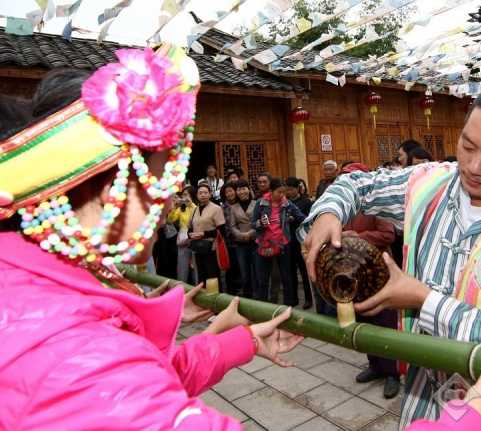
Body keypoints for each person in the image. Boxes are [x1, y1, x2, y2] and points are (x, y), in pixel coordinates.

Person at [0, 46, 304, 430]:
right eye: (164, 178)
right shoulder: (74, 351)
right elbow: (111, 383)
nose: (166, 204)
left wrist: (240, 342)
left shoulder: (33, 277)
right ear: (117, 188)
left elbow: (145, 383)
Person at [300, 78, 481, 430]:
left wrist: (425, 301)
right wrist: (328, 213)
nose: (474, 166)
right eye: (468, 146)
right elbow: (356, 184)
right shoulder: (429, 183)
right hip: (426, 404)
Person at [338, 164, 399, 399]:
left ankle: (393, 372)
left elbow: (388, 235)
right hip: (355, 273)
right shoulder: (343, 209)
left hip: (379, 272)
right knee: (365, 320)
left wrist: (357, 237)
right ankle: (375, 365)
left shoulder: (377, 205)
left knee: (385, 322)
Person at [253, 177, 305, 305]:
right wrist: (260, 223)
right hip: (264, 244)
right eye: (279, 192)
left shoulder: (287, 204)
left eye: (284, 192)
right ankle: (262, 307)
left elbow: (301, 217)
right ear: (271, 191)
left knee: (286, 277)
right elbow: (253, 223)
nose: (282, 195)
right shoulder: (260, 203)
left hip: (283, 245)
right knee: (263, 279)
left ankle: (289, 306)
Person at [189, 183, 227, 288]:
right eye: (200, 193)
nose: (203, 195)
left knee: (212, 275)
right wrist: (190, 234)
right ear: (196, 195)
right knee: (201, 275)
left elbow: (222, 231)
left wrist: (204, 234)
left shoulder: (216, 208)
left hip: (212, 248)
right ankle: (203, 301)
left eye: (205, 192)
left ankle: (215, 301)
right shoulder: (194, 210)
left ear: (210, 194)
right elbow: (190, 228)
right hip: (197, 248)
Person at [285, 176, 313, 309]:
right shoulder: (283, 202)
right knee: (290, 272)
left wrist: (294, 218)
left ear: (297, 189)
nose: (288, 192)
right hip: (288, 240)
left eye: (291, 189)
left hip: (301, 241)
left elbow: (309, 220)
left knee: (304, 271)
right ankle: (293, 298)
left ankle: (308, 298)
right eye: (287, 189)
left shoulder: (306, 202)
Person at [228, 180, 257, 298]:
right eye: (239, 189)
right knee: (244, 272)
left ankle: (258, 296)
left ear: (248, 189)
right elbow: (232, 226)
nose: (241, 191)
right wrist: (241, 235)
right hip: (241, 243)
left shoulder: (257, 203)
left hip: (256, 241)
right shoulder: (233, 207)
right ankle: (248, 296)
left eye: (244, 188)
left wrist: (251, 233)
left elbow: (261, 222)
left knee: (257, 271)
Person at [168, 185, 197, 284]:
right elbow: (170, 220)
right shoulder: (181, 209)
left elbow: (197, 217)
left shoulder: (196, 207)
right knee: (182, 269)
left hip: (195, 240)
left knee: (196, 269)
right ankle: (181, 291)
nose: (184, 197)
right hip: (183, 240)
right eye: (183, 195)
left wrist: (191, 204)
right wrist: (175, 207)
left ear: (192, 196)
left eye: (186, 195)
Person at [220, 182, 242, 295]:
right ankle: (231, 292)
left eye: (231, 191)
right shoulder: (222, 207)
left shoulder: (242, 204)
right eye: (226, 192)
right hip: (229, 242)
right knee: (231, 267)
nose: (229, 194)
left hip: (243, 240)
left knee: (242, 266)